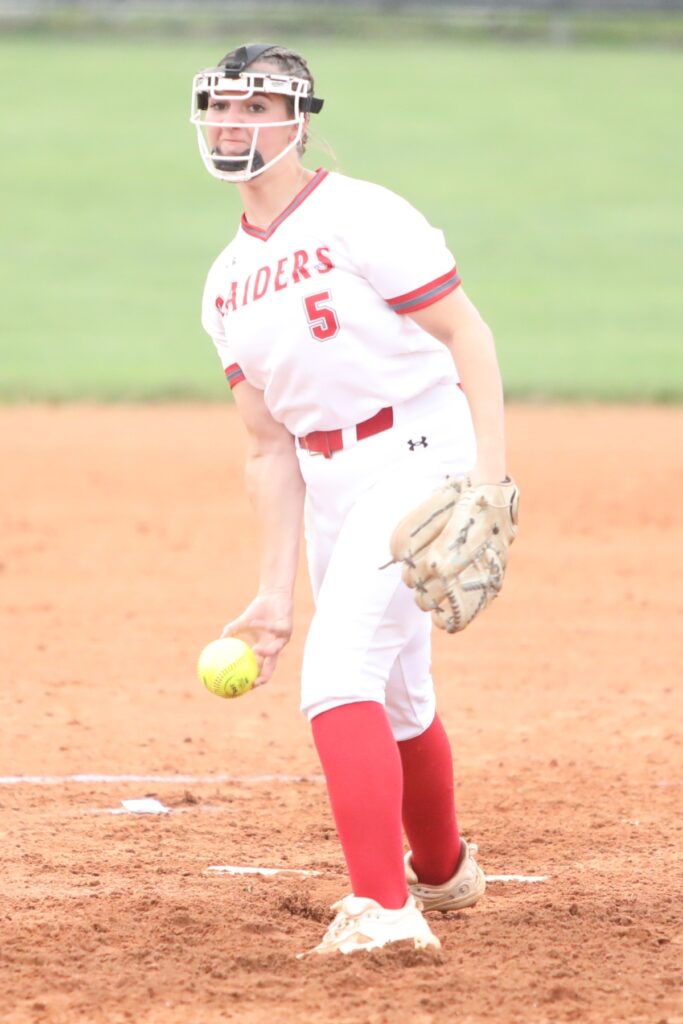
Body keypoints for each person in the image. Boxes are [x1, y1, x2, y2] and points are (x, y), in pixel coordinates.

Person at [191, 43, 509, 957]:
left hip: (417, 452)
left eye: (256, 108)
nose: (233, 124)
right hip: (332, 484)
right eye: (221, 107)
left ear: (298, 119)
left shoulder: (361, 214)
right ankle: (442, 872)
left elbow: (466, 333)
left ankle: (384, 913)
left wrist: (487, 474)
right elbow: (269, 446)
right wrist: (274, 591)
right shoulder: (221, 286)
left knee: (337, 678)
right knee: (400, 695)